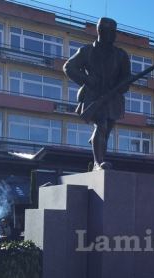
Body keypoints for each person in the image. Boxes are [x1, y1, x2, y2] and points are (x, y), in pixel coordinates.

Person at [63, 17, 131, 171]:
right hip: (93, 96)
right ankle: (97, 162)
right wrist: (87, 79)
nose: (114, 35)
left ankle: (98, 154)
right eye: (110, 32)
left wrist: (122, 85)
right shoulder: (87, 51)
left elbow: (126, 78)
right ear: (100, 31)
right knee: (101, 124)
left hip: (112, 99)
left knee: (105, 132)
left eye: (115, 32)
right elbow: (69, 67)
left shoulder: (121, 55)